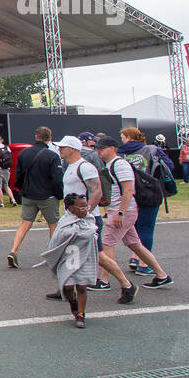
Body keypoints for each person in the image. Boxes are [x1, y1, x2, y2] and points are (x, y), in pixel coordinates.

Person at [50, 136, 133, 302]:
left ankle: (127, 285)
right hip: (73, 219)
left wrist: (86, 211)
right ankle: (65, 288)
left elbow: (97, 191)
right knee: (68, 254)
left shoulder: (85, 167)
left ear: (73, 149)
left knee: (99, 256)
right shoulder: (71, 166)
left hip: (87, 220)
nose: (59, 149)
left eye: (63, 147)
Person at [95, 136, 173, 291]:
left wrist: (121, 213)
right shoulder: (113, 164)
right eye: (97, 148)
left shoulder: (119, 165)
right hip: (123, 210)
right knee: (135, 245)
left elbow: (129, 190)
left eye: (101, 148)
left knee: (107, 244)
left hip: (123, 211)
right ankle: (162, 275)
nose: (98, 151)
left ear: (112, 148)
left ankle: (104, 280)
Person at [35, 194, 99, 328]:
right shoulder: (64, 222)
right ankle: (73, 302)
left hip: (84, 256)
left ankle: (81, 314)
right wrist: (75, 231)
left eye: (86, 207)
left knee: (81, 285)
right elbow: (58, 238)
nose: (85, 210)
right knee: (68, 287)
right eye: (81, 207)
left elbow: (92, 234)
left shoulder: (89, 220)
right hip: (69, 258)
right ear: (71, 208)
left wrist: (83, 232)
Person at [7, 127, 63, 268]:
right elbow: (56, 179)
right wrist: (59, 194)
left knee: (25, 222)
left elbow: (18, 174)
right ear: (49, 138)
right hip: (47, 194)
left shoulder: (24, 153)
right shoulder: (52, 156)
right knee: (53, 224)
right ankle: (53, 254)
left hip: (28, 193)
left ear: (36, 136)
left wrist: (22, 190)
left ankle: (13, 250)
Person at [0, 138, 17, 207]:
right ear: (1, 140)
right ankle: (13, 199)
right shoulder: (7, 148)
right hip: (6, 169)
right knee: (6, 186)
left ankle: (1, 203)